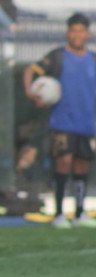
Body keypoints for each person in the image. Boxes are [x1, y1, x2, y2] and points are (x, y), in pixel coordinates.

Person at [24, 13, 96, 229]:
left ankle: (81, 212)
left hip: (87, 122)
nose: (77, 35)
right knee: (63, 163)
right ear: (67, 33)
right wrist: (30, 92)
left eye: (81, 31)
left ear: (88, 33)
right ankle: (58, 213)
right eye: (73, 30)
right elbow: (30, 70)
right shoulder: (57, 56)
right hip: (62, 121)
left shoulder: (92, 58)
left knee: (82, 166)